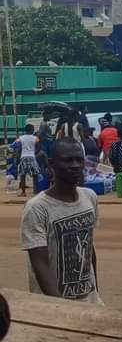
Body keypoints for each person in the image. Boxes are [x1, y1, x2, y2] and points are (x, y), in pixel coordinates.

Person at [20, 138, 101, 303]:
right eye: (67, 160)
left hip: (90, 301)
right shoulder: (37, 208)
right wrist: (61, 307)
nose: (75, 165)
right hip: (54, 306)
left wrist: (95, 293)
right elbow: (40, 265)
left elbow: (89, 249)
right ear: (51, 164)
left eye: (79, 159)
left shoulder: (89, 197)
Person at [15, 124, 40, 197]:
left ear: (25, 130)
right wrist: (34, 153)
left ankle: (23, 192)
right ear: (32, 130)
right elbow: (39, 147)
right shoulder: (35, 138)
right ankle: (36, 191)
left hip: (23, 157)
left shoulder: (21, 138)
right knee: (35, 174)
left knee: (23, 175)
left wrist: (19, 157)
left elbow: (18, 148)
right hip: (32, 156)